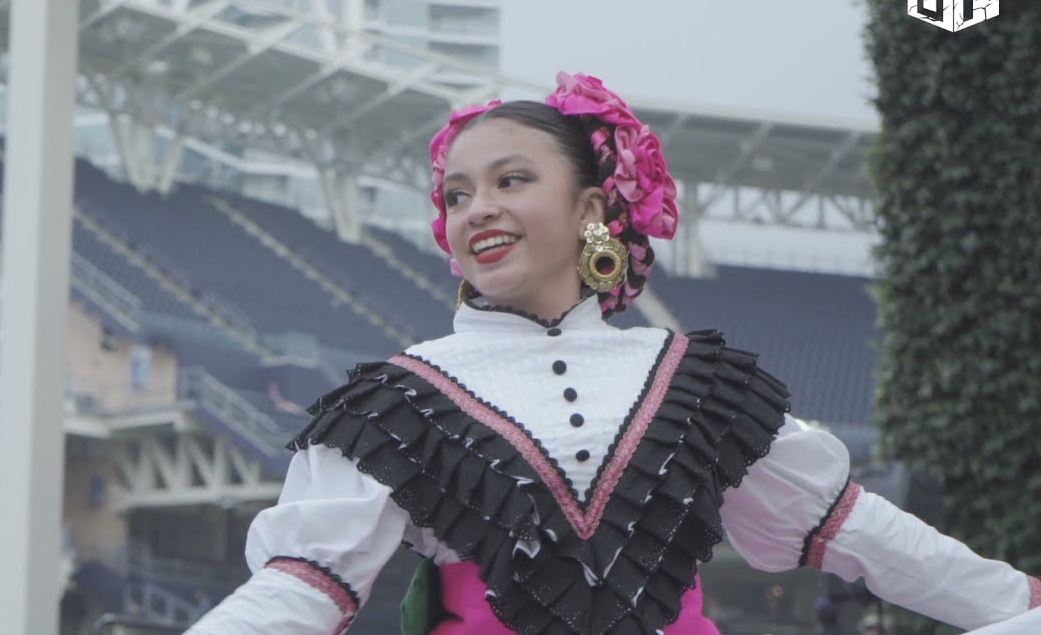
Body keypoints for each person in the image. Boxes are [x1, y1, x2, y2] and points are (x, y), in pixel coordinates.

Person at [186, 72, 1041, 634]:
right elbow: (304, 586)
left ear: (592, 208)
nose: (478, 209)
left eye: (512, 180)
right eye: (456, 195)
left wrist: (1018, 605)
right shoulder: (396, 401)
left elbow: (859, 534)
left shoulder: (697, 382)